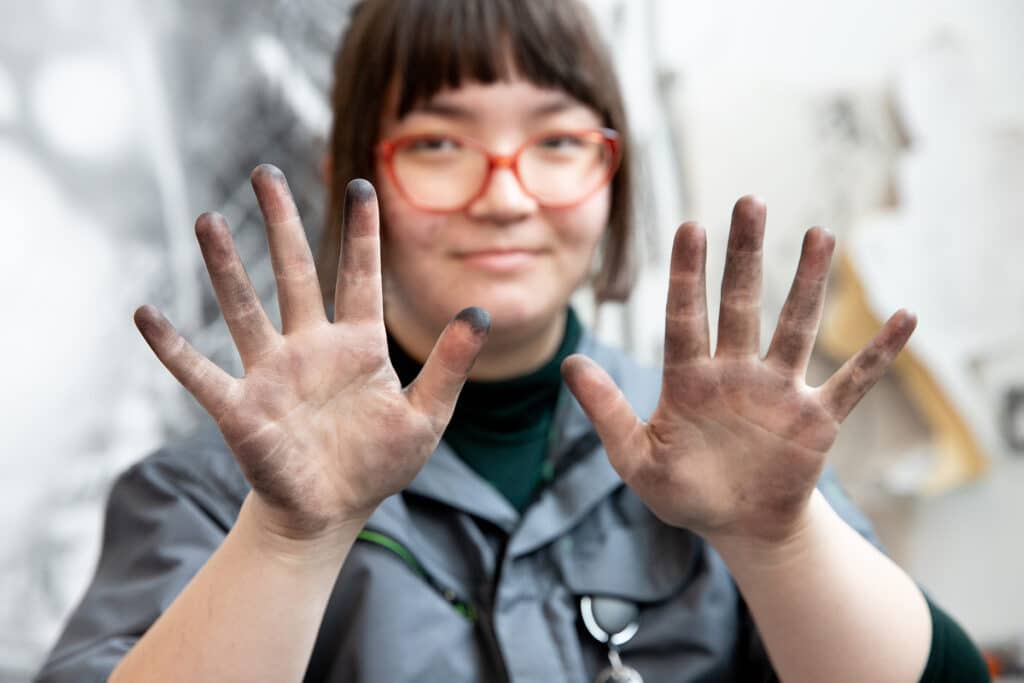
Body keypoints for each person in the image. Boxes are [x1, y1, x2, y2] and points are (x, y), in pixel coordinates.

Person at [38, 1, 990, 681]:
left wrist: (777, 543)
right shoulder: (208, 498)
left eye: (559, 143)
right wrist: (289, 541)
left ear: (614, 176)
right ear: (352, 176)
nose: (504, 194)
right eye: (440, 144)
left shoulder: (734, 452)